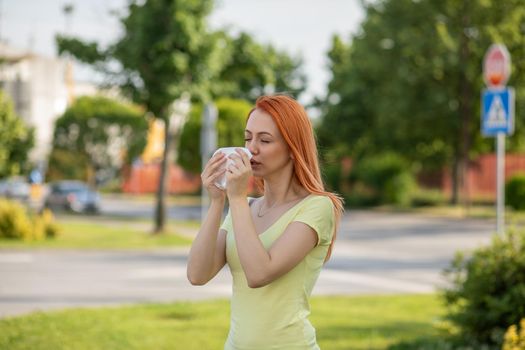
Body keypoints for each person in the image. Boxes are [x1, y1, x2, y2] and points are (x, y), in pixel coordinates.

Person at [187, 94, 344, 350]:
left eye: (265, 140)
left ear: (293, 149)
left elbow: (259, 274)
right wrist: (218, 200)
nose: (252, 149)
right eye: (248, 138)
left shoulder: (317, 207)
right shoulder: (245, 207)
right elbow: (197, 274)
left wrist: (236, 198)